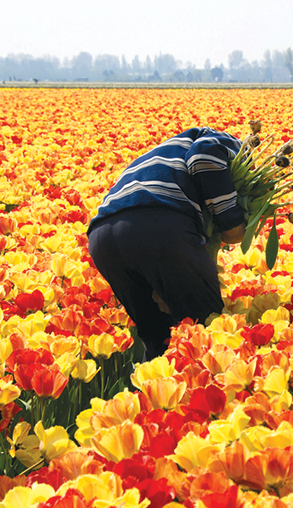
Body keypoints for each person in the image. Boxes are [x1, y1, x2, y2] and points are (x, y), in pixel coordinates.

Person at [87, 127, 247, 361]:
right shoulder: (225, 143)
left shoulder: (158, 154)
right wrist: (232, 224)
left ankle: (153, 395)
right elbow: (204, 155)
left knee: (157, 338)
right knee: (204, 334)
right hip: (159, 223)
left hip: (103, 237)